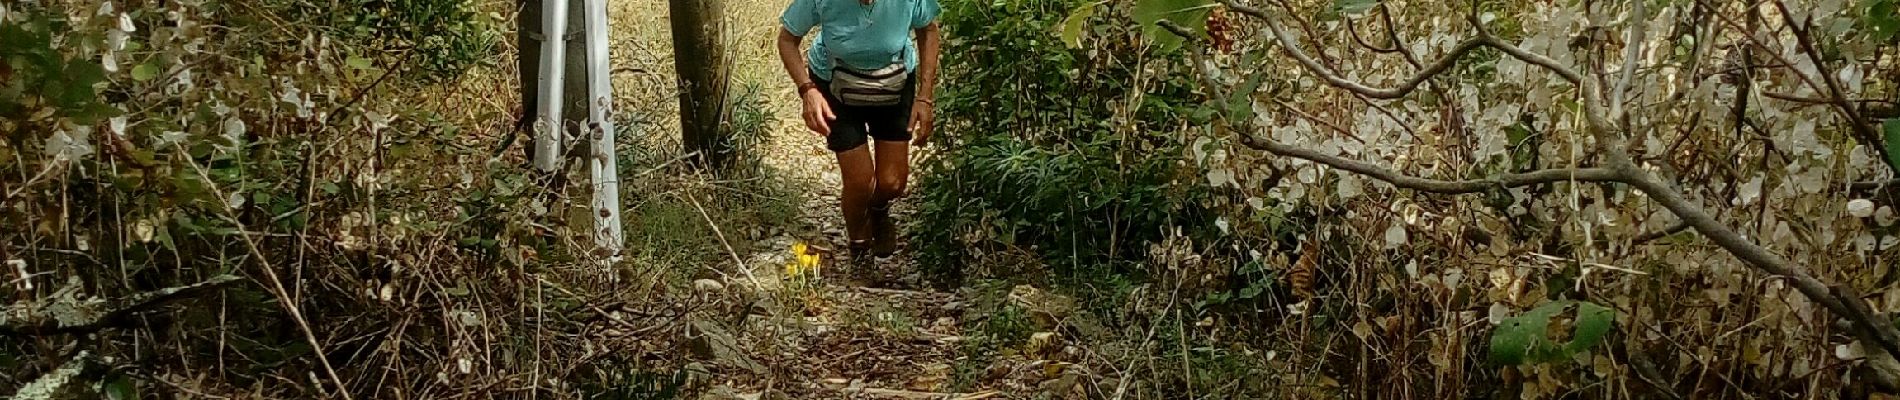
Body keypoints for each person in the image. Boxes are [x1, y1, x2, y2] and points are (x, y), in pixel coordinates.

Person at [776, 0, 941, 265]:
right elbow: (787, 39)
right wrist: (807, 90)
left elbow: (929, 29)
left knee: (893, 182)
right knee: (860, 181)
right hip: (834, 83)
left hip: (894, 80)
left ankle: (878, 208)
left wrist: (925, 96)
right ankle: (860, 252)